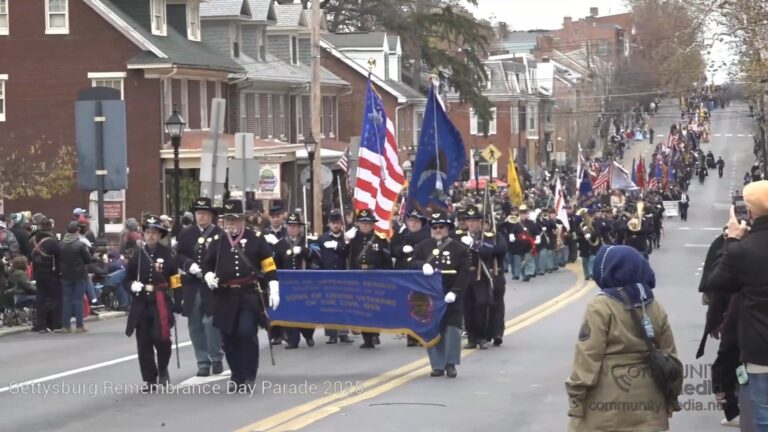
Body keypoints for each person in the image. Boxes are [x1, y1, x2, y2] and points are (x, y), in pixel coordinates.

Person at [566, 245, 681, 431]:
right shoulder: (654, 305)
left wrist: (576, 401)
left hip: (607, 405)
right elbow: (671, 358)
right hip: (650, 402)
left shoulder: (600, 306)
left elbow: (587, 357)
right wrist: (671, 399)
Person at [707, 180, 768, 430]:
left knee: (763, 418)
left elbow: (716, 282)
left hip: (760, 350)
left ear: (749, 212)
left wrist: (731, 240)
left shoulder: (743, 250)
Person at [202, 198, 280, 392]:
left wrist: (274, 287)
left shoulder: (256, 238)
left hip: (248, 294)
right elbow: (207, 264)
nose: (231, 223)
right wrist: (208, 275)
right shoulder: (217, 242)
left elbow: (268, 265)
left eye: (235, 219)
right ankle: (236, 375)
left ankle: (249, 374)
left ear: (243, 220)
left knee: (246, 332)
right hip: (225, 295)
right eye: (228, 220)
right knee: (228, 337)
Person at [409, 209, 470, 378]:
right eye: (434, 227)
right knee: (432, 330)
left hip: (450, 295)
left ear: (447, 228)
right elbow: (411, 263)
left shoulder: (458, 248)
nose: (437, 230)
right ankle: (437, 365)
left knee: (452, 330)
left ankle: (451, 364)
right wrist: (422, 265)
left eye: (441, 227)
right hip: (430, 296)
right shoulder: (423, 246)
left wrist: (455, 292)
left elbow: (464, 273)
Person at [125, 215, 182, 393]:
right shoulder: (135, 255)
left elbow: (175, 279)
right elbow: (127, 278)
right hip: (142, 302)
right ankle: (149, 378)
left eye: (154, 233)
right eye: (148, 232)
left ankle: (163, 369)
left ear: (159, 235)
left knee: (162, 339)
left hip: (161, 302)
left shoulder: (169, 254)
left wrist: (178, 301)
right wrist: (131, 286)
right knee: (143, 342)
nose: (150, 236)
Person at [175, 197, 224, 378]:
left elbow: (225, 257)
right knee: (195, 324)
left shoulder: (219, 234)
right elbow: (178, 255)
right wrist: (189, 265)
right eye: (198, 213)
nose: (201, 216)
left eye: (204, 213)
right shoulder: (187, 234)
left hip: (211, 285)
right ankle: (203, 362)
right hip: (193, 283)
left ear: (211, 215)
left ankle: (216, 357)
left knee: (210, 322)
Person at [345, 208, 390, 349]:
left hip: (374, 275)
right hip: (358, 275)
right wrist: (346, 240)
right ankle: (367, 338)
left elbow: (387, 260)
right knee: (362, 307)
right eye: (362, 223)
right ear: (358, 224)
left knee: (374, 306)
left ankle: (375, 334)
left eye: (368, 223)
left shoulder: (380, 239)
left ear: (372, 224)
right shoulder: (353, 238)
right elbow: (343, 254)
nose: (365, 225)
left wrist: (387, 277)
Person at [273, 212, 315, 349]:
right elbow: (275, 264)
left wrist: (304, 251)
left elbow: (317, 256)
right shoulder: (279, 245)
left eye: (296, 226)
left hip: (304, 283)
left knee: (306, 310)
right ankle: (292, 340)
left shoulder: (308, 241)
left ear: (300, 228)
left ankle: (308, 335)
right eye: (290, 226)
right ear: (286, 227)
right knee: (289, 311)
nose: (293, 229)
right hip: (287, 284)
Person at [390, 208, 430, 347]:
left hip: (418, 274)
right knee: (405, 304)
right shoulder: (401, 234)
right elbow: (391, 250)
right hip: (403, 272)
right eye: (411, 220)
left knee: (420, 304)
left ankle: (421, 334)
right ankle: (410, 335)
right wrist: (401, 249)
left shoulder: (426, 236)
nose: (413, 223)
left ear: (422, 223)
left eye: (417, 221)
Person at [312, 209, 352, 344]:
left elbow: (348, 253)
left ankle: (343, 333)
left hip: (343, 275)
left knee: (344, 305)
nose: (336, 225)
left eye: (338, 223)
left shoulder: (346, 238)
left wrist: (340, 245)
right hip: (327, 275)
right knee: (329, 305)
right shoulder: (322, 238)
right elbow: (317, 255)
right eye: (333, 223)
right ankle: (331, 334)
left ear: (341, 224)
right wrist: (316, 266)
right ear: (329, 224)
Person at [59, 221, 93, 333]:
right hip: (79, 275)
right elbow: (88, 259)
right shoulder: (80, 245)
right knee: (78, 300)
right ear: (77, 231)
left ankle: (65, 326)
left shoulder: (60, 245)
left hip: (65, 275)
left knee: (66, 300)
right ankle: (79, 325)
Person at [30, 218, 62, 333]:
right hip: (51, 273)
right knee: (56, 299)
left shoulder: (33, 240)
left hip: (38, 273)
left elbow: (30, 256)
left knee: (40, 298)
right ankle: (56, 324)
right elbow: (59, 258)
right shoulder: (52, 242)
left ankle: (41, 325)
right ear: (51, 227)